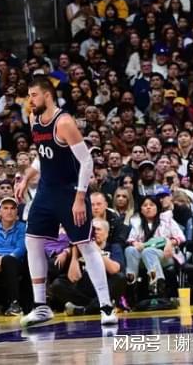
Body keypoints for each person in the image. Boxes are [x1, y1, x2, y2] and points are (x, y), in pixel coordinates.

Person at [15, 76, 118, 326]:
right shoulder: (34, 119)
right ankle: (41, 306)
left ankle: (106, 307)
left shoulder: (64, 122)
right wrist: (27, 177)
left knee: (86, 245)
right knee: (32, 241)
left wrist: (80, 198)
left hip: (70, 192)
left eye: (34, 95)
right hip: (46, 191)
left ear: (47, 95)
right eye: (29, 95)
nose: (30, 100)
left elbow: (87, 161)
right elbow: (42, 156)